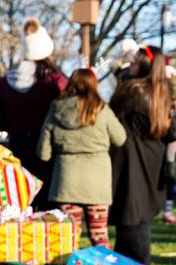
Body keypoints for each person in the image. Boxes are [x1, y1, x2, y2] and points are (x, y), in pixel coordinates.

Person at [37, 68, 126, 246]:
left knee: (70, 238)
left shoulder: (56, 109)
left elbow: (43, 153)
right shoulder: (102, 109)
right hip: (97, 182)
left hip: (66, 180)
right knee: (99, 236)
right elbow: (120, 138)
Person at [110, 53, 176, 265]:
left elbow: (113, 113)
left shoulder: (134, 90)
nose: (131, 64)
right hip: (151, 158)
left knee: (131, 219)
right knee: (138, 218)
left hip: (130, 159)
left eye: (136, 61)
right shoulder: (160, 92)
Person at [0, 18, 67, 186]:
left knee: (21, 193)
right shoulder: (55, 81)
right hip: (47, 147)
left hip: (17, 144)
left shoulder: (7, 81)